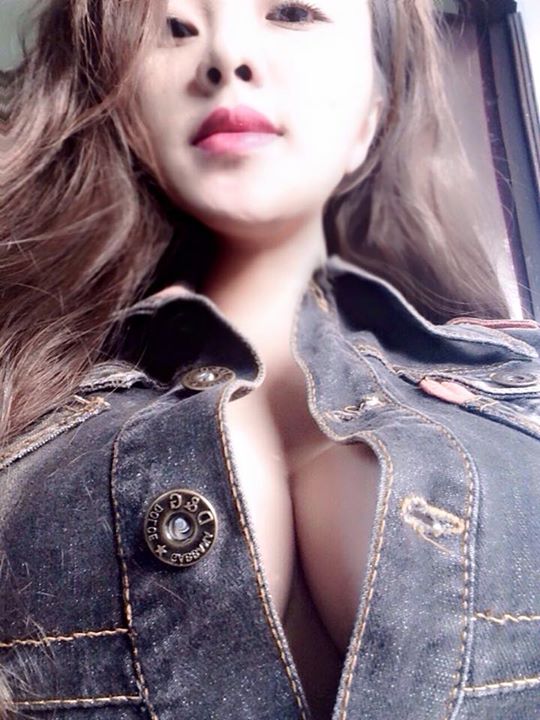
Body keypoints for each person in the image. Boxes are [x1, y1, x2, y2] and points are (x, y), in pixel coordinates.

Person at [1, 1, 539, 719]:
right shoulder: (21, 402)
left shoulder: (521, 381)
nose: (227, 57)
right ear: (124, 115)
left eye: (290, 12)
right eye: (174, 29)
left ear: (376, 111)